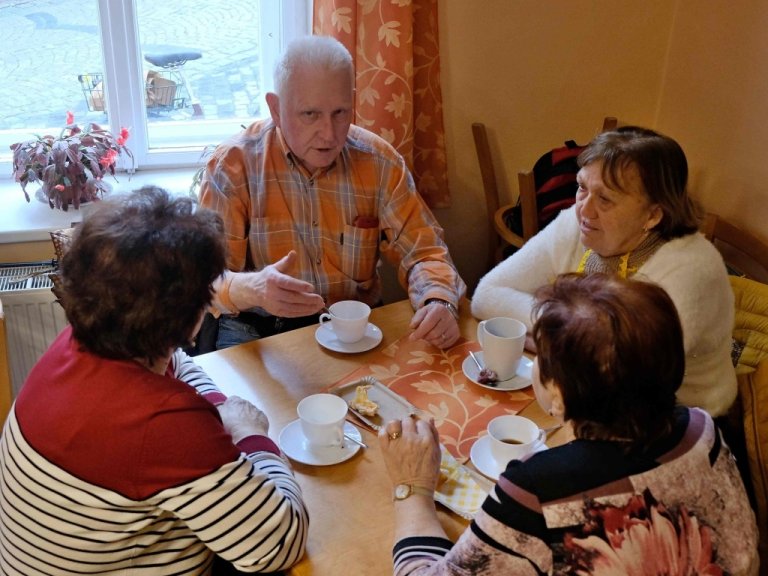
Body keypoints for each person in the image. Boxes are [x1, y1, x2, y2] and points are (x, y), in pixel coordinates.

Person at [0, 187, 308, 575]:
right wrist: (249, 432)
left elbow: (175, 362)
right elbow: (280, 543)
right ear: (191, 315)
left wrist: (216, 409)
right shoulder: (164, 427)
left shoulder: (79, 343)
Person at [379, 273, 759, 575]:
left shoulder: (536, 491)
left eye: (540, 354)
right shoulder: (700, 429)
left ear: (558, 394)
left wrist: (412, 487)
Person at [199, 35, 466, 351]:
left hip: (350, 322)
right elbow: (206, 280)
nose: (329, 134)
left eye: (340, 112)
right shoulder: (233, 166)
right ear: (276, 109)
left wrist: (438, 300)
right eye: (310, 114)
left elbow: (424, 251)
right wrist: (253, 288)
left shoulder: (380, 162)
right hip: (257, 327)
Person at [472, 126, 736, 418]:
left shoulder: (692, 269)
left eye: (605, 199)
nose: (584, 210)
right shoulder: (577, 223)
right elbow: (486, 295)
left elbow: (628, 378)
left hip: (679, 419)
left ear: (653, 215)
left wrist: (550, 338)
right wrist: (572, 340)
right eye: (582, 187)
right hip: (587, 395)